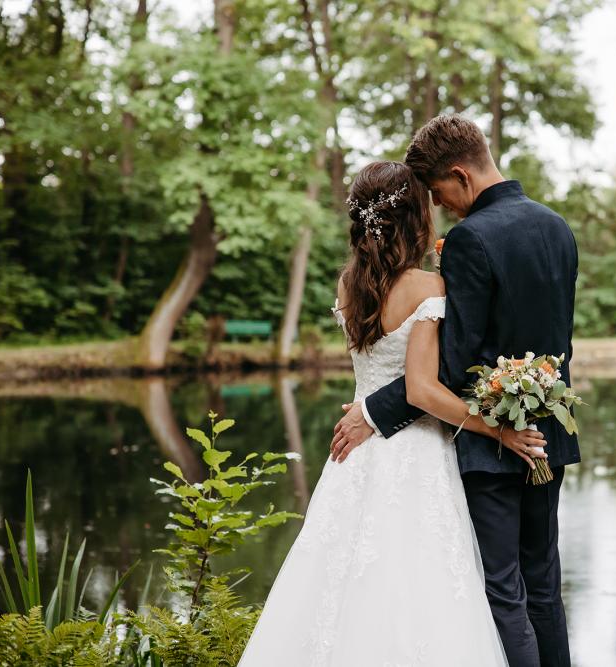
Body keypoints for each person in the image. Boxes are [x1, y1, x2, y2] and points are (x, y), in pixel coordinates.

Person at [238, 159, 545, 666]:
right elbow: (423, 390)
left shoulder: (347, 285)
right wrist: (497, 431)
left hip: (355, 454)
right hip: (415, 456)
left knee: (337, 585)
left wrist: (369, 408)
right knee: (418, 589)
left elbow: (377, 375)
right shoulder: (426, 288)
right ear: (415, 218)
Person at [331, 115, 580, 667]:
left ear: (461, 176)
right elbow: (557, 338)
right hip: (549, 436)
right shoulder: (556, 226)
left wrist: (374, 409)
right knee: (544, 588)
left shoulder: (471, 238)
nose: (438, 205)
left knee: (503, 591)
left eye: (439, 190)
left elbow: (451, 358)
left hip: (491, 444)